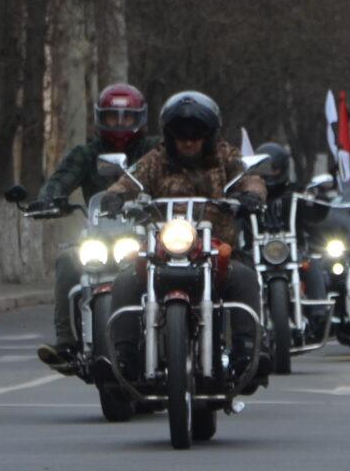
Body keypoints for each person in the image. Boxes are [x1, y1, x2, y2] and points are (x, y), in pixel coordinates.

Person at [100, 91, 268, 389]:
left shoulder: (225, 156)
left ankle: (248, 353)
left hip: (216, 248)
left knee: (244, 276)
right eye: (181, 135)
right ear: (170, 135)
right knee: (125, 281)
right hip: (163, 249)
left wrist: (252, 194)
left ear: (209, 134)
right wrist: (114, 197)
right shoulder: (155, 160)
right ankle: (124, 357)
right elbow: (127, 182)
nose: (188, 141)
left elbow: (248, 178)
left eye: (196, 134)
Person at [33, 82, 153, 373]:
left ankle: (177, 333)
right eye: (114, 117)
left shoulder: (154, 151)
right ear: (102, 118)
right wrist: (49, 198)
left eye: (127, 117)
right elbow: (61, 179)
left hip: (148, 233)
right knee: (67, 260)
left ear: (140, 118)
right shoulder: (86, 153)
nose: (121, 124)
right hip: (101, 233)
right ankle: (66, 342)